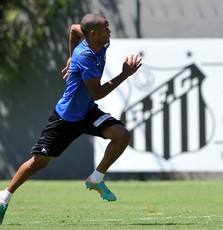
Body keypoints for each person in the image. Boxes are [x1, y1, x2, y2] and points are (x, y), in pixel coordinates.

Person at [0, 13, 142, 225]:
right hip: (66, 118)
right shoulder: (84, 56)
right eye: (105, 28)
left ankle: (96, 179)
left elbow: (75, 28)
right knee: (39, 162)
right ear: (93, 33)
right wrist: (125, 74)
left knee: (121, 136)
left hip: (87, 112)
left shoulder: (100, 43)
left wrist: (70, 55)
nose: (109, 31)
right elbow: (98, 93)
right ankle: (4, 197)